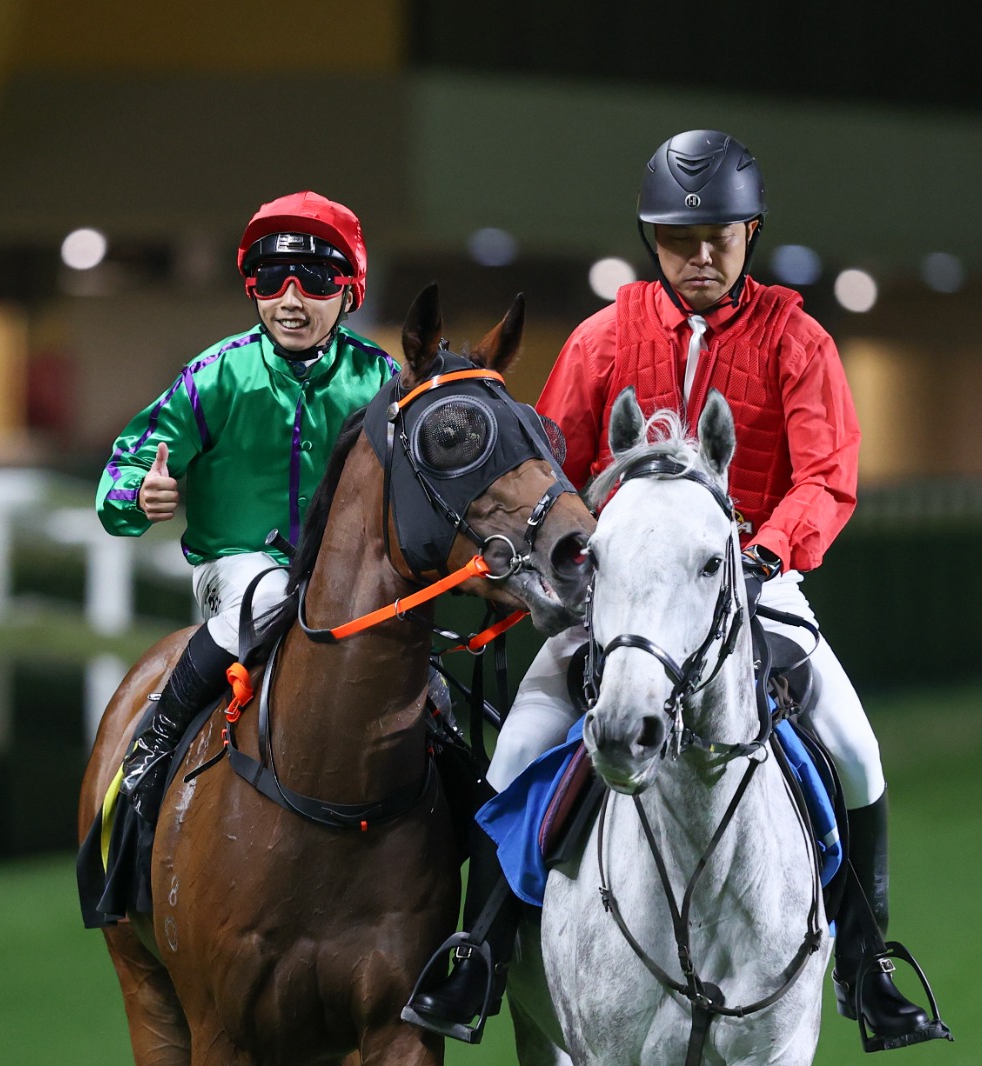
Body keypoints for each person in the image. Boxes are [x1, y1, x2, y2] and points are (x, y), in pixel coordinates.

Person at [405, 130, 949, 1052]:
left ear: (752, 234)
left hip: (753, 586)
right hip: (617, 603)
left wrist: (769, 553)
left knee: (856, 751)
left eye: (720, 238)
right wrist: (548, 567)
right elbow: (557, 472)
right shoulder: (603, 338)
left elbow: (826, 476)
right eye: (678, 239)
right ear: (652, 239)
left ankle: (866, 966)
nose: (700, 257)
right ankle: (482, 953)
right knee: (518, 750)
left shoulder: (797, 338)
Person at [96, 191, 398, 825]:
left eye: (313, 279)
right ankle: (156, 742)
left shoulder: (383, 381)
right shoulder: (214, 375)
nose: (289, 298)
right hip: (234, 570)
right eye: (270, 278)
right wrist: (136, 494)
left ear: (349, 291)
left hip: (348, 576)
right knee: (267, 597)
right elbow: (126, 466)